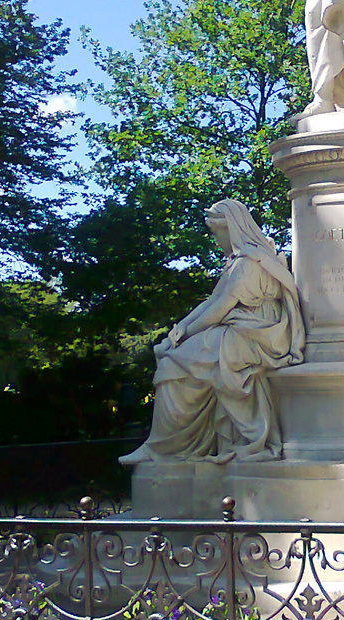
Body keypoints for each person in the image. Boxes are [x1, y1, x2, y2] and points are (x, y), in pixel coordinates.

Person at [119, 200, 306, 466]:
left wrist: (182, 339)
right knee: (175, 358)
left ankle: (163, 447)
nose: (215, 239)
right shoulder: (239, 262)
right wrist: (181, 327)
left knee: (173, 363)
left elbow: (219, 308)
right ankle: (168, 445)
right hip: (244, 329)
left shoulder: (250, 263)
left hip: (259, 336)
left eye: (216, 232)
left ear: (230, 228)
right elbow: (212, 301)